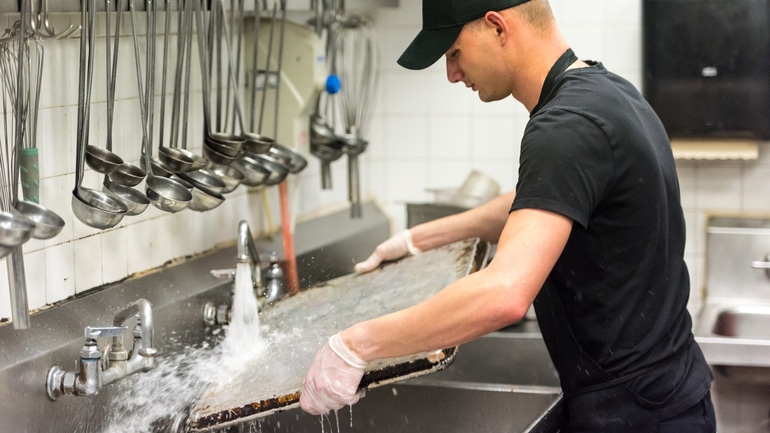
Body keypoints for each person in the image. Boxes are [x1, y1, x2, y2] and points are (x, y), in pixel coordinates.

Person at [299, 0, 716, 431]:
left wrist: (355, 345)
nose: (452, 74)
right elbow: (541, 199)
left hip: (637, 415)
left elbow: (505, 295)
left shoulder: (565, 125)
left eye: (454, 53)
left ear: (498, 27)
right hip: (665, 394)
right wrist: (418, 239)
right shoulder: (605, 91)